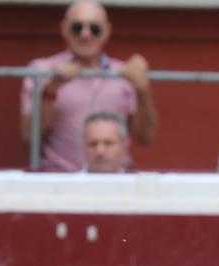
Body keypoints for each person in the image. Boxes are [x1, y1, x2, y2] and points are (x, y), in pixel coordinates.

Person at [20, 1, 157, 172]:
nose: (85, 35)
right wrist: (51, 89)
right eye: (77, 27)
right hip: (61, 178)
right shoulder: (42, 70)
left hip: (114, 178)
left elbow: (146, 137)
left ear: (107, 31)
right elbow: (29, 135)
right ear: (64, 28)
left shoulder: (124, 74)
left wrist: (143, 90)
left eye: (95, 29)